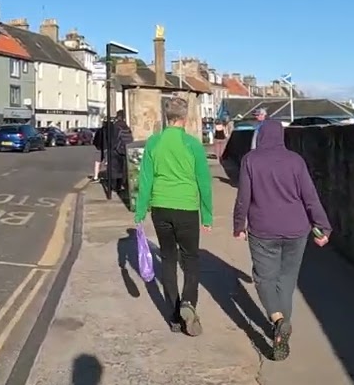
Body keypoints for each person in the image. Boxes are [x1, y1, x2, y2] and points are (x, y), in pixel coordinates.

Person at [232, 118, 330, 361]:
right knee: (287, 279)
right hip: (297, 229)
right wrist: (323, 226)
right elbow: (310, 197)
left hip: (263, 229)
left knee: (264, 277)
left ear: (261, 136)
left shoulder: (250, 160)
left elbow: (244, 196)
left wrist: (238, 225)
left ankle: (278, 321)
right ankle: (281, 327)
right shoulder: (296, 161)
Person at [133, 96, 213, 336]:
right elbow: (204, 182)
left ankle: (174, 316)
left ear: (166, 117)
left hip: (160, 207)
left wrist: (140, 210)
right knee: (190, 259)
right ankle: (189, 302)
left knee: (168, 259)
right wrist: (207, 216)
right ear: (185, 118)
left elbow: (144, 179)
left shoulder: (153, 143)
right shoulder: (193, 145)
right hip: (187, 208)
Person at [97, 110, 133, 195]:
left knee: (113, 170)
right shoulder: (126, 126)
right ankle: (119, 186)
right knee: (122, 170)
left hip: (115, 150)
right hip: (124, 150)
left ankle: (113, 187)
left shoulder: (115, 126)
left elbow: (112, 138)